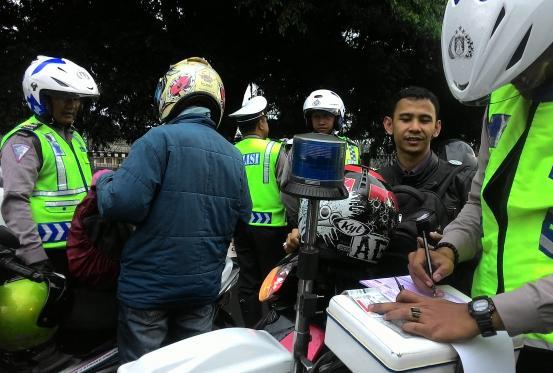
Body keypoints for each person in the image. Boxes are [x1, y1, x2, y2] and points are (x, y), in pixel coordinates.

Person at [371, 1, 553, 372]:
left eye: (521, 62)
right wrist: (450, 248)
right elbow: (478, 204)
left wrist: (481, 314)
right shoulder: (504, 96)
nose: (516, 80)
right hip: (493, 336)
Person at [95, 57, 251, 362]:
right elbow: (242, 216)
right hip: (202, 290)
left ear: (171, 95)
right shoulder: (234, 156)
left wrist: (103, 182)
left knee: (145, 367)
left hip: (148, 291)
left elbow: (120, 203)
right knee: (190, 366)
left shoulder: (157, 140)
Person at [0, 56, 99, 274]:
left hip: (80, 248)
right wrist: (33, 256)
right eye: (64, 97)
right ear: (41, 98)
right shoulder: (25, 140)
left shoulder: (75, 137)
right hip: (47, 254)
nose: (73, 105)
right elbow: (15, 202)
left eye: (76, 98)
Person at [377, 87, 475, 288]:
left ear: (437, 128)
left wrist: (452, 248)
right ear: (389, 125)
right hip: (375, 293)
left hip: (444, 299)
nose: (415, 127)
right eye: (405, 119)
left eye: (424, 120)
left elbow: (485, 238)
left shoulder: (463, 182)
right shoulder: (374, 183)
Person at [230, 95, 290, 327]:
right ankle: (277, 328)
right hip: (273, 228)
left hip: (241, 225)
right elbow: (288, 189)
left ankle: (251, 326)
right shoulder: (274, 149)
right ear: (262, 122)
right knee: (275, 281)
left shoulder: (233, 151)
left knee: (248, 278)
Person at [281, 89, 361, 249]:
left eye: (327, 116)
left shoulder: (351, 148)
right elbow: (287, 189)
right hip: (306, 221)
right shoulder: (298, 146)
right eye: (316, 116)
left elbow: (358, 187)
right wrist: (299, 222)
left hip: (342, 223)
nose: (321, 121)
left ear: (337, 118)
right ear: (309, 119)